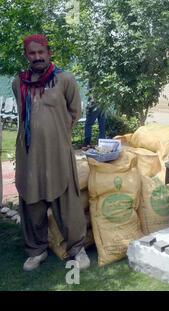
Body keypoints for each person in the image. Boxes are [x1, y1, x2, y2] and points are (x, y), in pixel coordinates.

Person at [12, 34, 90, 271]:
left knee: (67, 200)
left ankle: (77, 248)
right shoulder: (19, 82)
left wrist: (55, 135)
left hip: (58, 152)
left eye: (41, 52)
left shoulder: (64, 79)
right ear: (26, 56)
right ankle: (36, 251)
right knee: (31, 199)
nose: (37, 57)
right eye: (32, 53)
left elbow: (75, 112)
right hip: (28, 153)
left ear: (48, 53)